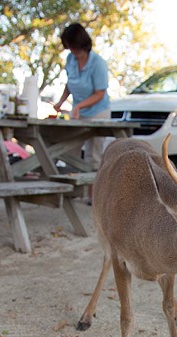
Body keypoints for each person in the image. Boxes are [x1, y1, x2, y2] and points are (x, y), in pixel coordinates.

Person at [54, 23, 110, 204]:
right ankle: (73, 193)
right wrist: (61, 101)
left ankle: (94, 198)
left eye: (73, 46)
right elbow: (70, 84)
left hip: (98, 111)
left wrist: (79, 107)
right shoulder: (70, 60)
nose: (71, 50)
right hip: (78, 112)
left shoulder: (98, 63)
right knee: (70, 150)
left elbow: (100, 93)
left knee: (93, 156)